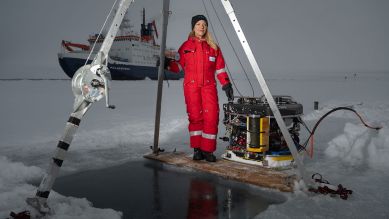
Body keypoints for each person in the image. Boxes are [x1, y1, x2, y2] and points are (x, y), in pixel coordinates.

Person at [167, 15, 234, 162]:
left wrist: (226, 83)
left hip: (209, 87)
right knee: (195, 117)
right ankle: (197, 149)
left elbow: (220, 69)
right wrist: (166, 63)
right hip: (191, 87)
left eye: (204, 24)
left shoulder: (213, 47)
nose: (201, 27)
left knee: (211, 118)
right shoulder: (185, 46)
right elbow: (178, 66)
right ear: (193, 27)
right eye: (198, 24)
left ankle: (207, 150)